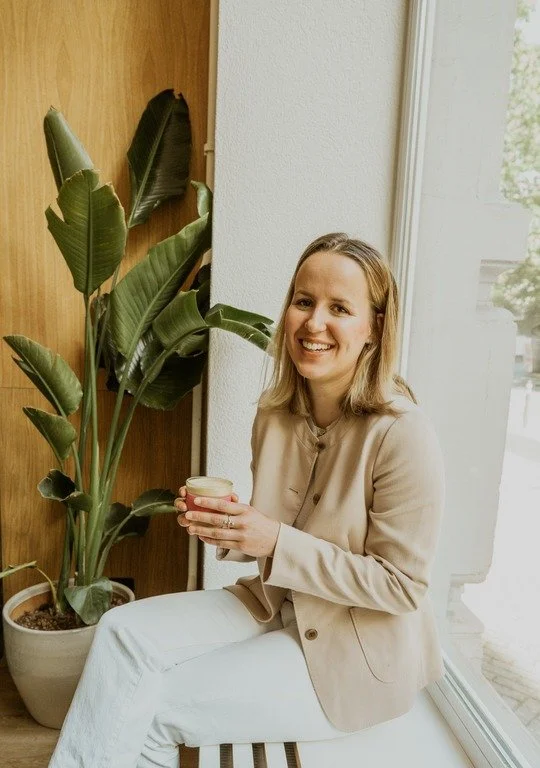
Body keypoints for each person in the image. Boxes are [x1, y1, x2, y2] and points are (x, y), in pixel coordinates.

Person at [48, 232, 445, 768]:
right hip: (275, 604)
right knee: (121, 631)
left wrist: (273, 539)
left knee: (153, 707)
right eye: (303, 301)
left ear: (374, 326)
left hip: (353, 654)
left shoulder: (403, 432)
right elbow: (275, 532)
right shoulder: (275, 413)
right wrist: (230, 526)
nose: (313, 323)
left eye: (339, 308)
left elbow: (402, 586)